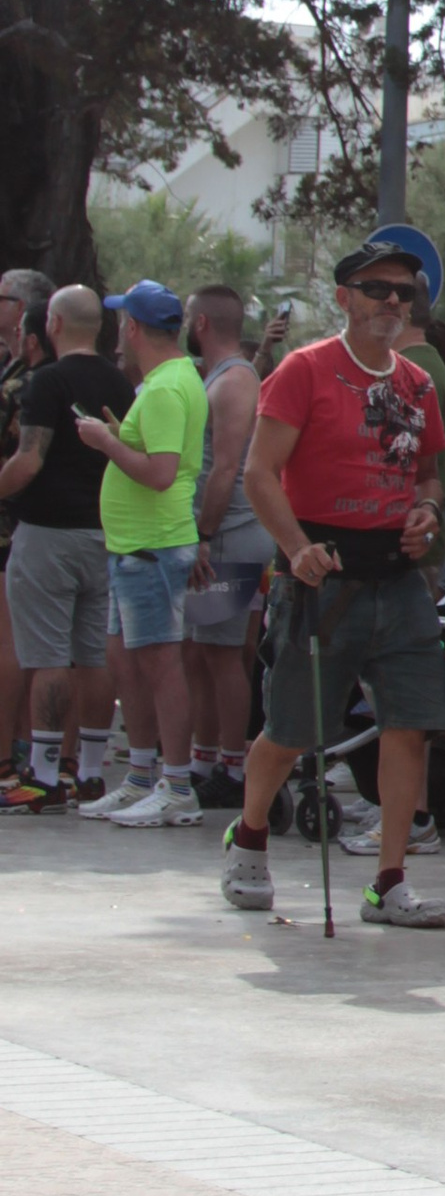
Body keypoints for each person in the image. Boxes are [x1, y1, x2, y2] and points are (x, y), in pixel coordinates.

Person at [224, 241, 445, 930]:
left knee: (410, 725)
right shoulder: (304, 371)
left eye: (404, 293)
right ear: (344, 297)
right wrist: (295, 550)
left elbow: (427, 475)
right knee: (293, 728)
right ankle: (251, 835)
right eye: (377, 289)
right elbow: (258, 473)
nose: (392, 302)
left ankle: (389, 881)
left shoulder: (416, 384)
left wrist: (426, 512)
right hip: (321, 575)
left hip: (398, 574)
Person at [78, 282, 209, 825]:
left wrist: (107, 444)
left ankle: (176, 786)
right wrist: (119, 438)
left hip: (151, 547)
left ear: (132, 328)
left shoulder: (162, 388)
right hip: (135, 546)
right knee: (126, 660)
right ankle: (139, 776)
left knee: (159, 664)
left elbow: (159, 473)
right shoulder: (173, 380)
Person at [0, 288, 131, 804]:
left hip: (48, 533)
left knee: (49, 656)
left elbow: (29, 460)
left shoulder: (46, 381)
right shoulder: (122, 382)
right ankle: (92, 771)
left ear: (52, 323)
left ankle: (44, 774)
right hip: (106, 530)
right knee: (92, 654)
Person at [180, 285, 270, 800]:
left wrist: (205, 536)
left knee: (223, 654)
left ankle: (234, 768)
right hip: (220, 536)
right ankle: (206, 756)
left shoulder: (235, 380)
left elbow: (227, 467)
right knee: (200, 652)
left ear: (201, 324)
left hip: (231, 537)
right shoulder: (214, 377)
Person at [0, 265, 53, 785]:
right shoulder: (15, 372)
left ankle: (14, 754)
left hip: (15, 525)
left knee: (15, 642)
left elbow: (24, 458)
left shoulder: (29, 383)